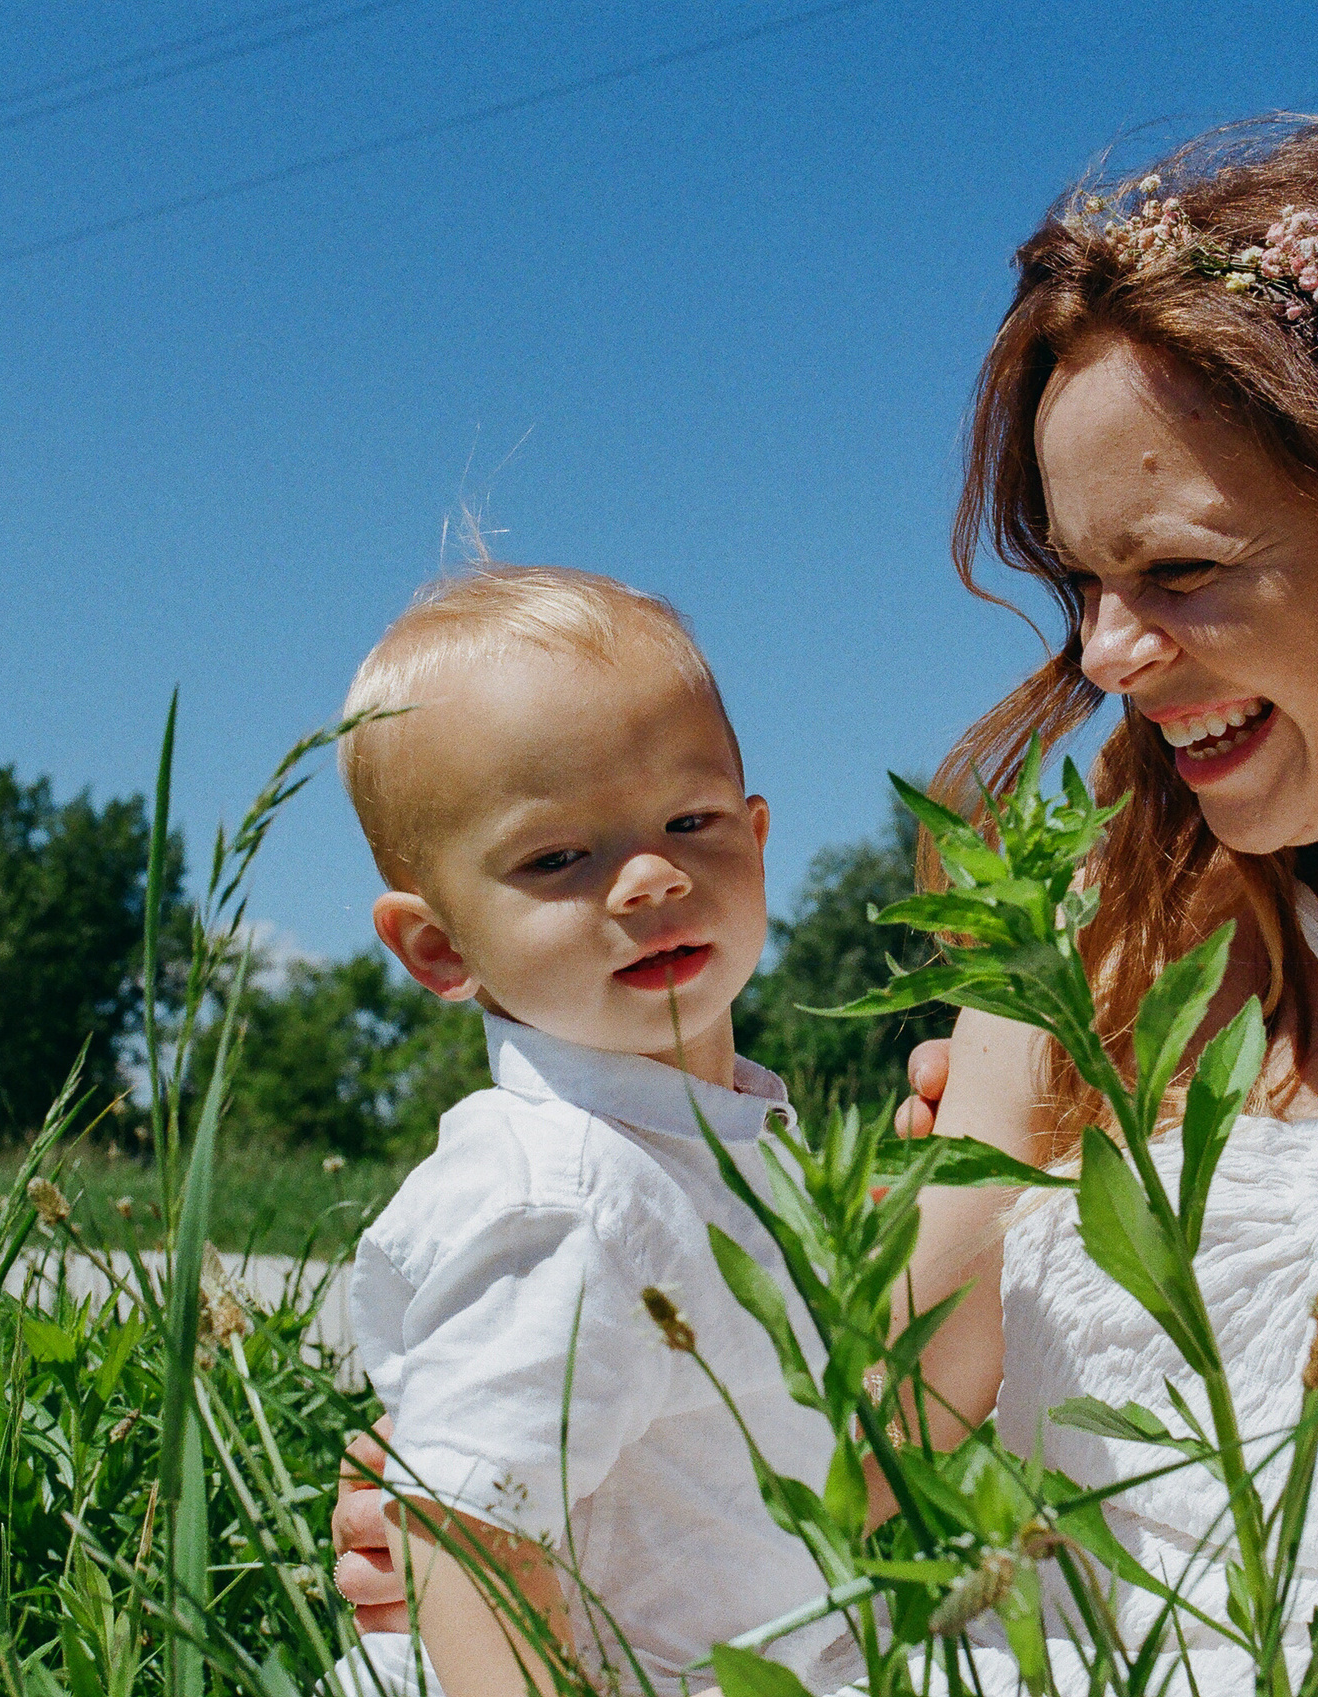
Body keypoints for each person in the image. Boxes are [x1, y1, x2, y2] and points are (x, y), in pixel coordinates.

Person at [340, 116, 1318, 1694]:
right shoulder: (1106, 946)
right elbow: (848, 1471)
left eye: (1181, 569)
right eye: (1081, 585)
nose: (1112, 656)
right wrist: (517, 1486)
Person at [329, 565, 856, 1697]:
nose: (652, 875)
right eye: (558, 857)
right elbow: (465, 1524)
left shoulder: (722, 1144)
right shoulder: (564, 1193)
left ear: (757, 840)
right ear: (438, 948)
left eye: (690, 819)